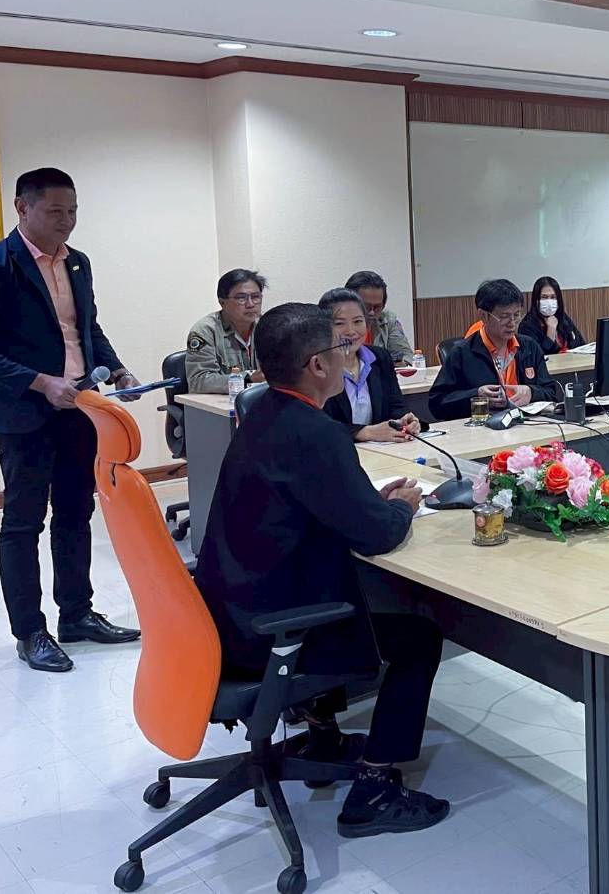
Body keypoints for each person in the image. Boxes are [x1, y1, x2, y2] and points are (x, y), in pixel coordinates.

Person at [193, 302, 450, 839]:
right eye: (341, 348)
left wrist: (366, 501)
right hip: (273, 631)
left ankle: (324, 737)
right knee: (419, 637)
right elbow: (377, 536)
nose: (347, 355)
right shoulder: (316, 433)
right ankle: (375, 788)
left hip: (230, 612)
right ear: (317, 365)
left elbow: (308, 503)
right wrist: (401, 508)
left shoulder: (261, 413)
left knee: (350, 596)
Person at [0, 167, 144, 673]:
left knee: (76, 513)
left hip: (80, 408)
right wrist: (41, 382)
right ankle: (30, 632)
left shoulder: (77, 262)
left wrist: (117, 368)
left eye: (73, 211)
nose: (67, 221)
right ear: (23, 207)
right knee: (23, 523)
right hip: (25, 416)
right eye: (56, 211)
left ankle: (76, 614)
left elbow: (85, 329)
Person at [429, 278, 559, 420]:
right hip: (483, 427)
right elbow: (437, 404)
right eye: (504, 317)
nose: (512, 323)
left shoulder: (529, 347)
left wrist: (531, 392)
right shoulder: (461, 352)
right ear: (484, 316)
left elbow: (551, 391)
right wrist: (476, 395)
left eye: (516, 315)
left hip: (526, 424)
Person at [318, 288, 422, 443]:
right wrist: (363, 432)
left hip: (380, 451)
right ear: (323, 327)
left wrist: (405, 420)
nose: (351, 331)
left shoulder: (380, 357)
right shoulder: (317, 366)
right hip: (334, 451)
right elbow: (316, 424)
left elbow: (396, 405)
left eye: (358, 321)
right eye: (339, 323)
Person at [185, 269, 267, 393]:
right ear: (222, 302)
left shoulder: (268, 326)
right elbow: (198, 381)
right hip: (219, 402)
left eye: (256, 297)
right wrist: (247, 379)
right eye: (241, 298)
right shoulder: (205, 330)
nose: (250, 304)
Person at [345, 270, 414, 366]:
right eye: (366, 306)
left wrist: (399, 363)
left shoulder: (388, 319)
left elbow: (406, 355)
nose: (372, 312)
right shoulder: (335, 325)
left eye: (377, 307)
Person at [518, 275, 585, 355]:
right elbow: (536, 356)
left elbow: (580, 344)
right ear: (536, 300)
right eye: (544, 297)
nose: (549, 302)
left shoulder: (563, 318)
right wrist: (551, 331)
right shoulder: (527, 326)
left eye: (553, 297)